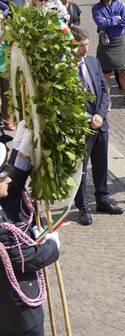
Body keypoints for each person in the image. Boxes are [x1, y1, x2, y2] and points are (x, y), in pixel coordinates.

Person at [0, 124, 61, 336]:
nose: (7, 178)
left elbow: (13, 188)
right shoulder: (2, 227)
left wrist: (20, 149)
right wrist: (52, 245)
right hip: (17, 317)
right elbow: (24, 259)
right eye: (2, 176)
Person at [71, 26, 124, 225]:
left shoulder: (93, 62)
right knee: (81, 169)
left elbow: (103, 90)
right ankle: (82, 206)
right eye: (80, 46)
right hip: (82, 127)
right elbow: (67, 103)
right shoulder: (66, 70)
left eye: (86, 45)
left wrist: (100, 115)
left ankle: (102, 198)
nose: (85, 49)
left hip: (101, 124)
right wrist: (87, 118)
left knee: (101, 164)